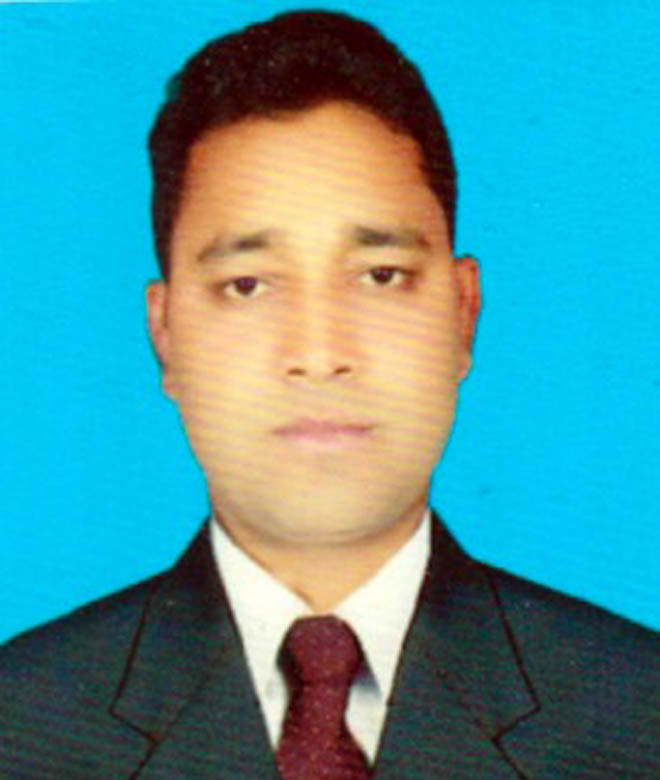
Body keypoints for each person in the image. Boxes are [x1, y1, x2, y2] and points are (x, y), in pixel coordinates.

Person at [0, 9, 657, 779]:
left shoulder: (637, 715)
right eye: (248, 285)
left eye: (380, 276)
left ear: (462, 314)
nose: (319, 354)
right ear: (166, 333)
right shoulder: (22, 726)